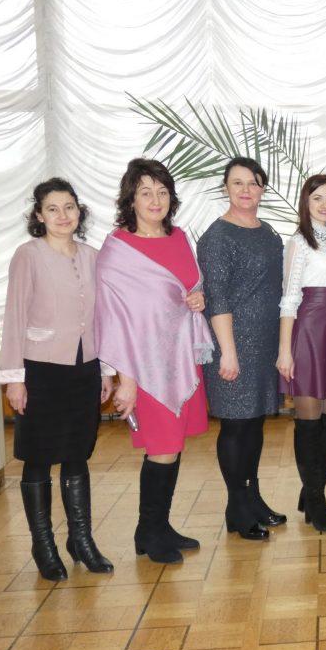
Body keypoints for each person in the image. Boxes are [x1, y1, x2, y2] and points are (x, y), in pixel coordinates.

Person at [96, 158, 213, 564]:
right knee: (162, 447)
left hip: (178, 358)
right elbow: (112, 319)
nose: (155, 200)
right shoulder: (117, 250)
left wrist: (197, 299)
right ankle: (147, 531)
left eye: (162, 192)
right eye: (145, 192)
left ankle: (158, 527)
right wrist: (124, 379)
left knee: (172, 447)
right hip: (142, 367)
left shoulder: (179, 237)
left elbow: (188, 287)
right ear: (130, 199)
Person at [0, 179, 115, 581]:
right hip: (40, 370)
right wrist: (14, 379)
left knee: (77, 454)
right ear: (39, 215)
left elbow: (103, 318)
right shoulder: (28, 255)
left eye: (69, 207)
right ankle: (43, 544)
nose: (62, 215)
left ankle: (81, 540)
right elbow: (14, 316)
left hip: (84, 368)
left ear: (79, 211)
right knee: (38, 457)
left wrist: (106, 369)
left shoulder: (93, 256)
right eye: (52, 208)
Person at [197, 157, 284, 541]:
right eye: (237, 183)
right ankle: (237, 509)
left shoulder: (269, 233)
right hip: (232, 342)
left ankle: (253, 499)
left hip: (264, 343)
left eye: (253, 183)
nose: (246, 190)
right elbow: (216, 298)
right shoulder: (217, 237)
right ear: (226, 188)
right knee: (235, 426)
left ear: (262, 188)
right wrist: (228, 351)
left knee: (255, 424)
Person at [277, 174, 326, 533]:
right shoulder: (298, 243)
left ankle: (311, 491)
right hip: (307, 332)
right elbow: (289, 299)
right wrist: (285, 351)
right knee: (309, 420)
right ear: (306, 203)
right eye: (317, 198)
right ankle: (317, 500)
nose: (325, 205)